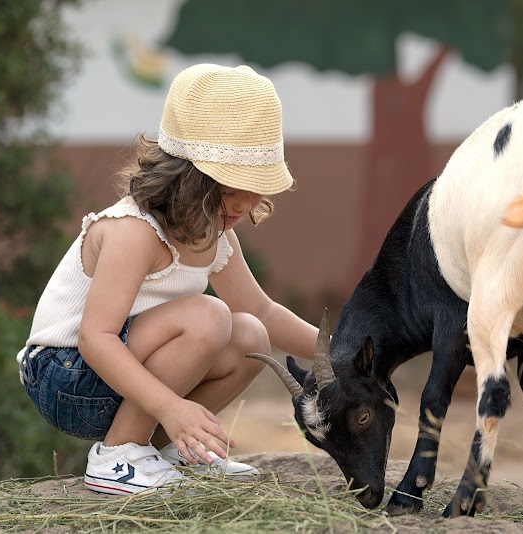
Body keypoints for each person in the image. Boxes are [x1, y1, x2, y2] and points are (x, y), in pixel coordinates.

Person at [17, 63, 318, 496]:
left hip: (122, 376)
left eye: (256, 187)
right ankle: (118, 455)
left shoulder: (215, 233)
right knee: (210, 316)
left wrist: (343, 349)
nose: (247, 202)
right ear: (187, 177)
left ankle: (162, 452)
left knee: (251, 335)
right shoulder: (133, 231)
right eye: (232, 186)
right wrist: (172, 407)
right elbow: (95, 338)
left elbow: (262, 310)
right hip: (66, 378)